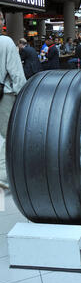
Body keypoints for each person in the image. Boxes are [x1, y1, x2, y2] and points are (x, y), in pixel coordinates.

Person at [0, 11, 26, 189]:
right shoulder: (6, 42)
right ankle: (3, 177)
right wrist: (23, 95)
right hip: (4, 97)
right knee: (5, 136)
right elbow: (16, 74)